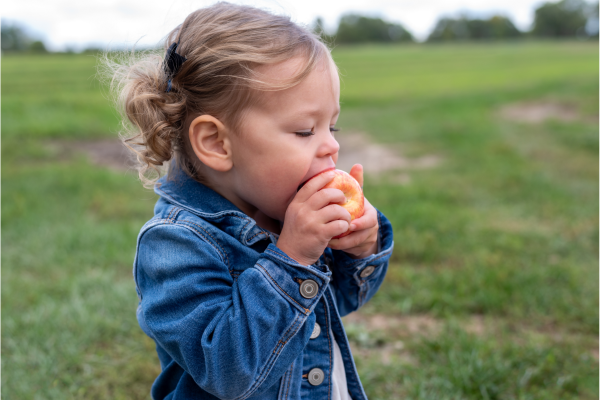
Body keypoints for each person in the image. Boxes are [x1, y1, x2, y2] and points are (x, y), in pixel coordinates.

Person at [108, 3, 393, 399]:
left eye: (333, 125)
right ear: (216, 143)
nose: (332, 145)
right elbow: (228, 372)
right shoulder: (175, 245)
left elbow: (339, 302)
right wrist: (292, 260)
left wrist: (362, 248)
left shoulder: (282, 212)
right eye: (304, 130)